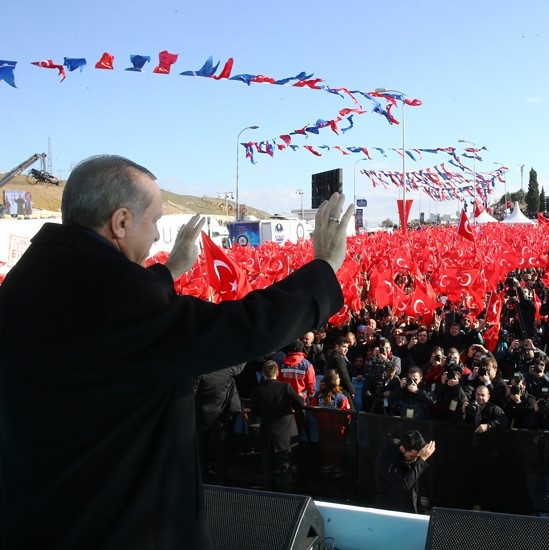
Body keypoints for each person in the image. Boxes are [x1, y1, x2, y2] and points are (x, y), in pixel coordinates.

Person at [0, 155, 353, 549]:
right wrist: (322, 270)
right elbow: (239, 328)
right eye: (153, 220)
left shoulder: (29, 279)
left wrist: (169, 272)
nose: (155, 235)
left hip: (42, 515)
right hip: (116, 527)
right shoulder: (116, 298)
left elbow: (114, 329)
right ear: (120, 223)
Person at [250, 360, 306, 491]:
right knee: (285, 466)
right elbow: (301, 403)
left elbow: (255, 412)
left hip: (267, 432)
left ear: (263, 373)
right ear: (277, 372)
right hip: (285, 433)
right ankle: (286, 494)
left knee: (267, 465)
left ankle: (269, 492)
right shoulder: (285, 387)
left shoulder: (258, 390)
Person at [374, 429, 437, 513]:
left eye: (417, 457)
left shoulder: (413, 459)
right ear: (402, 448)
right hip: (389, 508)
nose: (415, 460)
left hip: (409, 507)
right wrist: (422, 460)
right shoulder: (386, 458)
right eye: (412, 456)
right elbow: (404, 484)